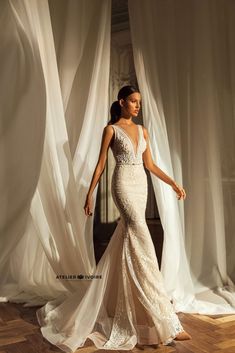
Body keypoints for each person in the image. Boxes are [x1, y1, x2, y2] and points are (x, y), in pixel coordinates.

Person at [36, 85, 191, 352]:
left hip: (140, 184)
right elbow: (100, 165)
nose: (137, 106)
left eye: (139, 102)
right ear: (121, 102)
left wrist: (173, 183)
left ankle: (132, 308)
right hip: (122, 186)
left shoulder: (143, 131)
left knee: (129, 242)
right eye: (133, 101)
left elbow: (150, 165)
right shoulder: (111, 130)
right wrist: (89, 195)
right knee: (141, 238)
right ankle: (165, 319)